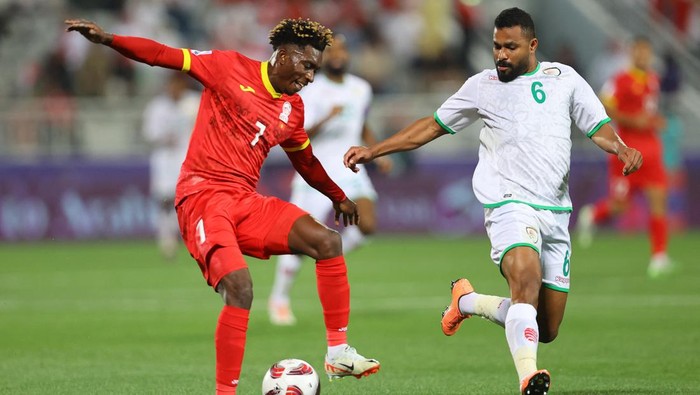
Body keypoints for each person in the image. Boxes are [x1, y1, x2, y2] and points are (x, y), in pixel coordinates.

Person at [65, 17, 380, 394]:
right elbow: (162, 55)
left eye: (315, 69)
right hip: (201, 198)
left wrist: (339, 197)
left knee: (327, 242)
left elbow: (307, 162)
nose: (311, 77)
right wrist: (109, 39)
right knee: (240, 287)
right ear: (283, 55)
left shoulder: (292, 109)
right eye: (307, 65)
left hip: (244, 200)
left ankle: (338, 352)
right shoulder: (227, 66)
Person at [343, 7, 642, 394]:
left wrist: (619, 147)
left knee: (546, 327)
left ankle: (467, 302)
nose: (501, 54)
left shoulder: (564, 78)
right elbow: (431, 126)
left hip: (556, 210)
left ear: (532, 45)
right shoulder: (481, 85)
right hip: (508, 203)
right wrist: (376, 150)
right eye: (497, 46)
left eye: (511, 47)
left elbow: (596, 124)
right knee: (526, 278)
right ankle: (528, 377)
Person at [268, 35, 392, 326]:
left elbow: (361, 123)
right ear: (323, 57)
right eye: (332, 50)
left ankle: (328, 253)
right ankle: (279, 298)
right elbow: (297, 136)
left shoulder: (361, 88)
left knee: (369, 224)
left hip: (349, 169)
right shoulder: (311, 90)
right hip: (315, 171)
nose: (338, 54)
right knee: (296, 240)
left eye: (343, 48)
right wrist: (327, 118)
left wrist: (376, 152)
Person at [576, 36, 673, 278]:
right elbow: (602, 104)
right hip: (626, 149)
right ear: (632, 53)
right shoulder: (619, 80)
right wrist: (632, 120)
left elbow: (647, 111)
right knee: (620, 206)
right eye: (639, 51)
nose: (643, 56)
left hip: (651, 148)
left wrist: (653, 121)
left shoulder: (653, 79)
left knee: (658, 200)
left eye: (646, 52)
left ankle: (659, 257)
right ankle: (592, 215)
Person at [142, 72, 199, 260]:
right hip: (164, 159)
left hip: (187, 159)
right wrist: (164, 137)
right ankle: (167, 239)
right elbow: (149, 134)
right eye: (172, 85)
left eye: (178, 85)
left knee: (187, 201)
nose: (175, 89)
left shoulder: (194, 102)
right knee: (165, 201)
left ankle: (190, 238)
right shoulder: (157, 107)